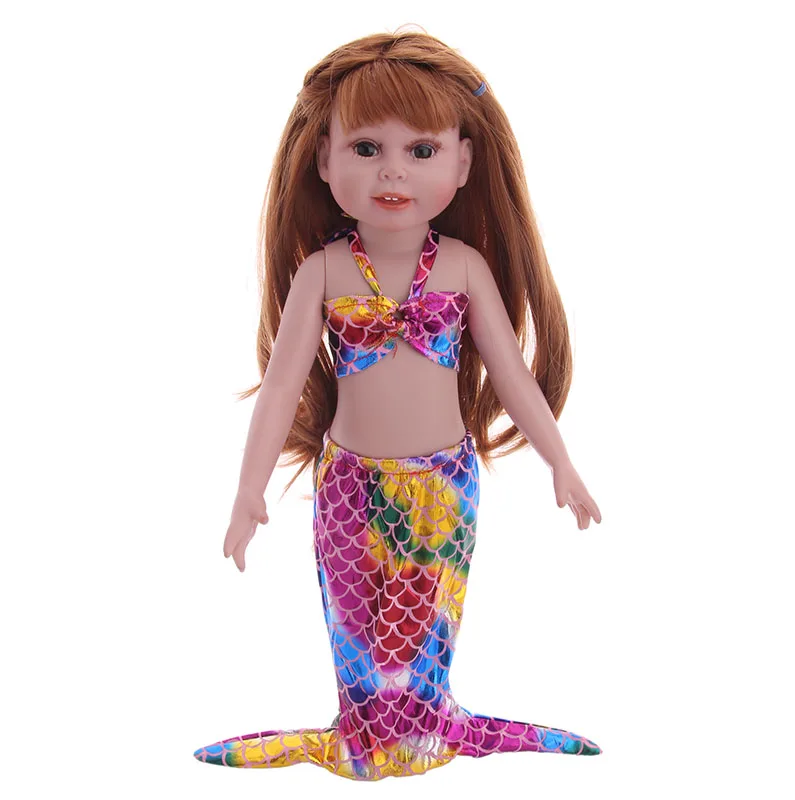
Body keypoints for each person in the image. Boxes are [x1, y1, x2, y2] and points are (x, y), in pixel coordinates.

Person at [193, 30, 603, 781]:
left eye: (421, 151)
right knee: (354, 627)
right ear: (324, 159)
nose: (392, 171)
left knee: (427, 623)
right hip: (348, 485)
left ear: (462, 163)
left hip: (443, 485)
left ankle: (426, 728)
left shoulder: (463, 267)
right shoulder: (322, 272)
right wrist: (249, 490)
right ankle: (360, 734)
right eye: (366, 148)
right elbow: (282, 384)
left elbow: (512, 375)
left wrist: (562, 462)